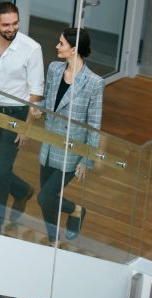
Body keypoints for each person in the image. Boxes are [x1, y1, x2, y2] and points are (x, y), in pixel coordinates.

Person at [0, 2, 44, 234]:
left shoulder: (31, 49)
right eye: (6, 24)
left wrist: (27, 128)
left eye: (15, 23)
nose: (11, 28)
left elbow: (36, 92)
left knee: (1, 170)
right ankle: (22, 190)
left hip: (17, 113)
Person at [36, 27, 104, 242]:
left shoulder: (94, 82)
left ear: (74, 50)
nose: (57, 46)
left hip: (71, 149)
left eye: (62, 44)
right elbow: (49, 101)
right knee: (47, 200)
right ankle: (53, 241)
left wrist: (87, 159)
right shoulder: (55, 69)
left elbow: (94, 124)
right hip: (49, 143)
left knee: (44, 197)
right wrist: (38, 107)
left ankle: (76, 210)